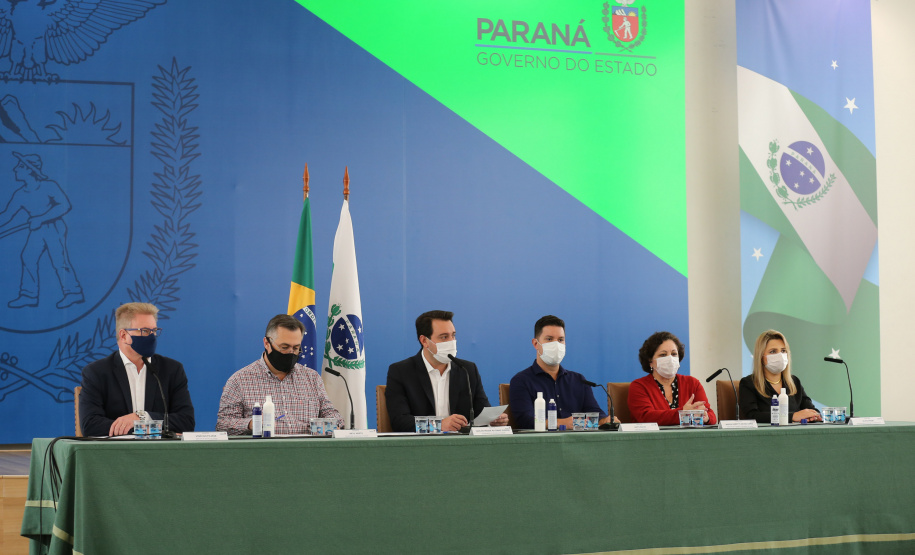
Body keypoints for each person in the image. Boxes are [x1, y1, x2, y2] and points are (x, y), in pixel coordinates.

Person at [79, 302, 195, 436]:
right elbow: (90, 425)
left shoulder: (172, 370)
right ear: (123, 335)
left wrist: (142, 417)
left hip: (161, 453)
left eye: (154, 331)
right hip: (116, 454)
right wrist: (143, 428)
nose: (151, 337)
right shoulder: (96, 372)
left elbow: (186, 422)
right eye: (145, 331)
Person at [216, 314, 343, 435]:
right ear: (267, 343)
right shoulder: (239, 380)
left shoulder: (312, 378)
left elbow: (331, 414)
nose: (290, 352)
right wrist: (251, 424)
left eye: (296, 348)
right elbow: (223, 425)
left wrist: (331, 424)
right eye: (284, 347)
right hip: (262, 454)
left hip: (307, 453)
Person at [385, 310, 509, 432]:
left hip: (462, 446)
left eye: (453, 335)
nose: (451, 342)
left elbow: (481, 413)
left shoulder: (467, 370)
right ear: (424, 341)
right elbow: (399, 421)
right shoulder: (401, 371)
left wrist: (492, 421)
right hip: (420, 447)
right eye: (444, 337)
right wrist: (438, 425)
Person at [0, 152, 84, 308]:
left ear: (28, 169)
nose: (14, 169)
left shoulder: (48, 185)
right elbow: (7, 215)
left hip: (54, 227)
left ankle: (73, 293)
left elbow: (64, 205)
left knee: (59, 260)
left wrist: (41, 218)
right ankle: (28, 295)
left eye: (19, 166)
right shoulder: (20, 193)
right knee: (28, 257)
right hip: (36, 229)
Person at [509, 315, 618, 429]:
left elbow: (594, 412)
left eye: (560, 340)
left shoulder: (579, 380)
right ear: (536, 343)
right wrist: (560, 423)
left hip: (578, 443)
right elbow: (525, 420)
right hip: (541, 443)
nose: (556, 345)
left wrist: (605, 420)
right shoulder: (521, 381)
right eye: (549, 339)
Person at [628, 331, 717, 425]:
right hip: (654, 439)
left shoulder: (692, 383)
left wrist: (705, 417)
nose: (670, 359)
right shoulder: (639, 386)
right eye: (663, 355)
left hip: (688, 438)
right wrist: (683, 413)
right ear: (650, 361)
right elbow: (646, 417)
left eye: (674, 354)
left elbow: (711, 415)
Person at [739, 329, 821, 423]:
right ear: (761, 357)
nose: (780, 356)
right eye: (773, 351)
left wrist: (813, 416)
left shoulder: (794, 381)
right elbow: (752, 416)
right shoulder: (748, 383)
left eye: (783, 351)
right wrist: (792, 416)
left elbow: (812, 410)